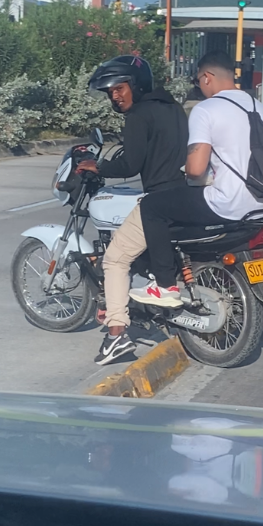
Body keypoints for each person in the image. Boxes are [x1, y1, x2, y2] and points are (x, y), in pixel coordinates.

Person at [131, 51, 263, 308]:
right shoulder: (259, 107)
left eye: (198, 80)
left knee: (152, 206)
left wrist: (187, 168)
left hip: (228, 204)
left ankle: (165, 286)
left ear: (207, 77)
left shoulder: (206, 109)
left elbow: (196, 169)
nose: (198, 86)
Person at [76, 55, 188, 364]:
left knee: (114, 259)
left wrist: (96, 167)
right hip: (186, 194)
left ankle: (116, 336)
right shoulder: (174, 108)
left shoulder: (139, 115)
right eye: (110, 91)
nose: (115, 95)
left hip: (160, 197)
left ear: (136, 86)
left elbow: (131, 163)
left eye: (120, 88)